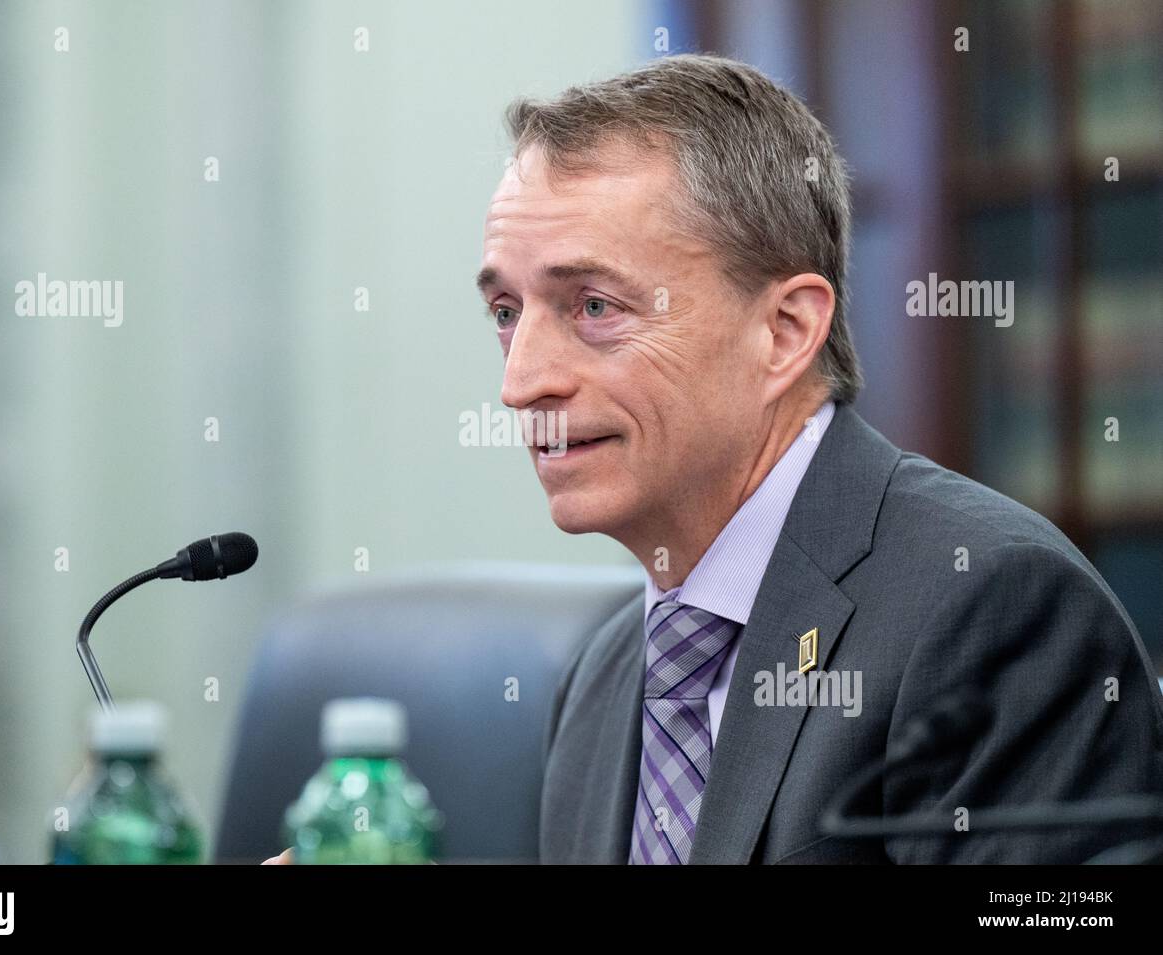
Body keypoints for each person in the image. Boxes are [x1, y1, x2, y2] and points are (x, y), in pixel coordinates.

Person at [474, 54, 1163, 864]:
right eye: (507, 312)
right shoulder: (605, 675)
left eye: (594, 305)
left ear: (786, 333)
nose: (521, 381)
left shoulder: (993, 609)